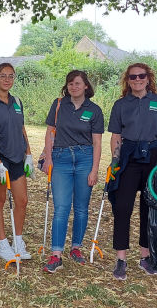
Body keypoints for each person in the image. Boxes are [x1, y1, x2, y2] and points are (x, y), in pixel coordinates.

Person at [106, 62, 157, 280]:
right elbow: (116, 135)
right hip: (128, 156)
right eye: (133, 77)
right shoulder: (120, 104)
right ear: (127, 80)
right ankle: (121, 259)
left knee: (149, 207)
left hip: (154, 157)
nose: (137, 80)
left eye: (141, 76)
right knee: (123, 207)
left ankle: (145, 257)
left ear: (148, 78)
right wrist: (115, 159)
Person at [40, 70, 104, 273]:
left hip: (85, 159)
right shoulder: (59, 104)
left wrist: (94, 170)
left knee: (81, 208)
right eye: (70, 84)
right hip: (61, 159)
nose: (73, 87)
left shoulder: (94, 110)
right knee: (61, 208)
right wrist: (48, 158)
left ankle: (76, 248)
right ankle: (56, 254)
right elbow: (50, 132)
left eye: (77, 83)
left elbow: (97, 142)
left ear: (86, 86)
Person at [0, 63, 33, 262]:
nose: (7, 79)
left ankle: (18, 241)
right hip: (0, 159)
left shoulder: (17, 101)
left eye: (11, 76)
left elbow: (21, 128)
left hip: (17, 158)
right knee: (0, 201)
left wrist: (29, 154)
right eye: (3, 76)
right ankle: (2, 244)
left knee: (22, 201)